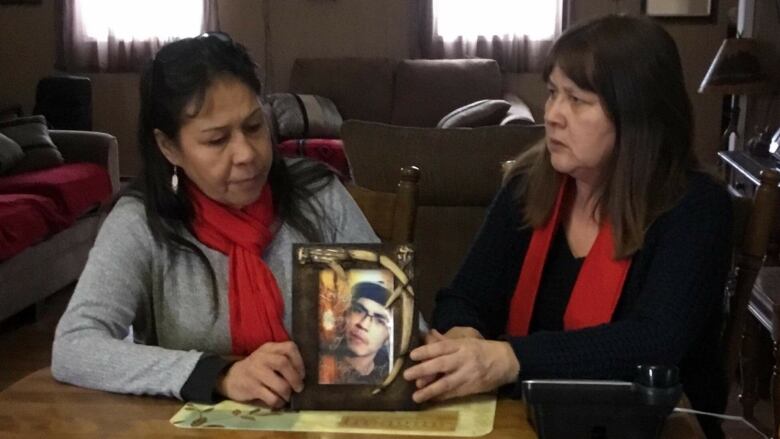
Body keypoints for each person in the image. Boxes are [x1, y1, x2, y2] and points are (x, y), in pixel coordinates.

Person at [403, 15, 731, 438]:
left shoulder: (697, 207)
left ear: (636, 115)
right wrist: (465, 333)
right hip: (533, 422)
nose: (553, 115)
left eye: (577, 100)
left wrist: (507, 358)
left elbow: (654, 345)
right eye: (553, 93)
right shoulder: (526, 185)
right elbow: (465, 296)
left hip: (658, 428)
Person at [51, 33, 378, 408]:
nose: (246, 155)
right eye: (216, 140)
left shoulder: (319, 196)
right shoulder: (142, 222)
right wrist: (217, 374)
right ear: (169, 147)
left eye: (255, 127)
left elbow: (398, 328)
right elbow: (75, 345)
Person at [320, 282, 392, 384]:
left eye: (379, 321)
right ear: (345, 314)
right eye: (358, 310)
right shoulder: (319, 364)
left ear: (389, 337)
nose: (363, 325)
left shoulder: (390, 377)